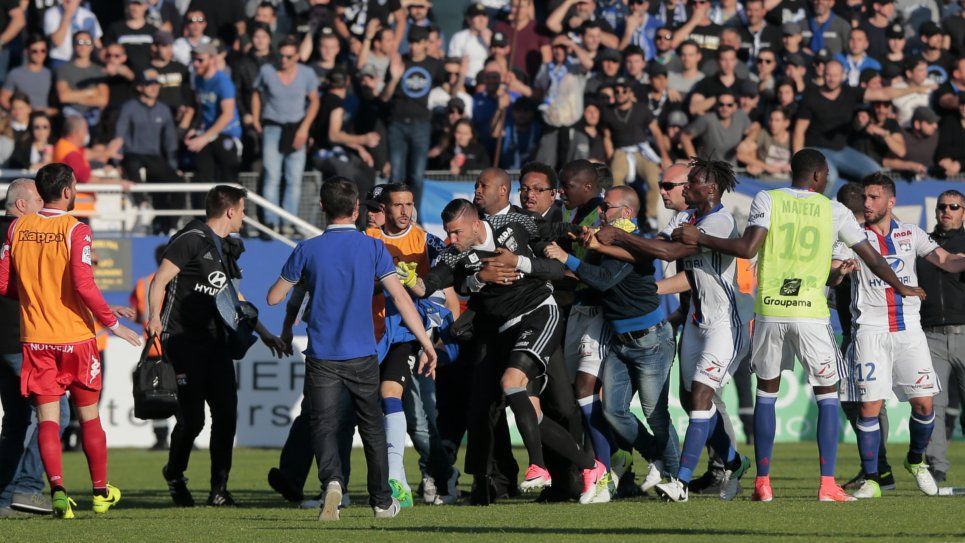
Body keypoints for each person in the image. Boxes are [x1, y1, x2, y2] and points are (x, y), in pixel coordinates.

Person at [671, 148, 924, 502]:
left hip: (771, 310)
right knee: (827, 396)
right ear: (820, 176)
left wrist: (701, 238)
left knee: (767, 395)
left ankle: (763, 482)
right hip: (810, 314)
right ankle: (826, 485)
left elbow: (747, 248)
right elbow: (872, 257)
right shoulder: (834, 210)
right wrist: (901, 286)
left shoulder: (767, 198)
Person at [405, 199, 606, 504]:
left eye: (457, 232)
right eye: (448, 233)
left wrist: (520, 261)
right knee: (531, 412)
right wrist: (408, 280)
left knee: (514, 384)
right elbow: (427, 285)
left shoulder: (513, 225)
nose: (452, 239)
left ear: (475, 224)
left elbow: (552, 257)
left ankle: (539, 467)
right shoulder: (453, 254)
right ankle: (593, 469)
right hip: (505, 329)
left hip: (539, 314)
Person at [266, 177, 437, 521]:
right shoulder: (373, 248)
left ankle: (332, 482)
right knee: (371, 427)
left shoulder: (307, 250)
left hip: (322, 356)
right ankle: (381, 500)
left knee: (325, 424)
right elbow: (402, 297)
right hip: (363, 354)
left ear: (322, 208)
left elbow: (274, 296)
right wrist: (425, 341)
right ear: (357, 209)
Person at [0, 163, 142, 518]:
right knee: (89, 418)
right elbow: (83, 284)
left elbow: (4, 285)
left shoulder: (18, 228)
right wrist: (112, 324)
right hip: (75, 339)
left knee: (47, 420)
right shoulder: (76, 229)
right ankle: (98, 494)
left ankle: (58, 491)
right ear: (67, 191)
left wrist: (36, 297)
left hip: (35, 340)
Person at [147, 185, 287, 507]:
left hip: (216, 344)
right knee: (193, 420)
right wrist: (154, 317)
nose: (244, 216)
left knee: (226, 416)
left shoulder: (224, 248)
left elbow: (233, 297)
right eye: (242, 210)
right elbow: (159, 280)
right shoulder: (190, 239)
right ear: (230, 211)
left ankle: (219, 490)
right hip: (183, 341)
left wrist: (263, 332)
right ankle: (174, 473)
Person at [832, 174, 965, 499]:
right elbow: (832, 276)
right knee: (869, 408)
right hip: (870, 333)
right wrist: (839, 271)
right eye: (865, 197)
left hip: (908, 331)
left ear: (890, 201)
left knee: (923, 405)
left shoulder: (910, 233)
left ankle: (915, 460)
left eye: (874, 197)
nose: (867, 203)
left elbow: (947, 261)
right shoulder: (852, 236)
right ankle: (874, 479)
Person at [545, 184, 679, 502]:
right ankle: (655, 458)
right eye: (602, 207)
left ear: (626, 213)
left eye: (607, 207)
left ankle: (675, 476)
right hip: (621, 338)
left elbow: (604, 279)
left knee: (655, 413)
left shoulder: (632, 240)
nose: (601, 212)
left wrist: (567, 259)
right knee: (613, 410)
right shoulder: (610, 236)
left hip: (650, 340)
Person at [364, 183, 455, 507]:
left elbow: (448, 291)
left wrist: (443, 337)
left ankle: (432, 476)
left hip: (411, 335)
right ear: (385, 209)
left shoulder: (426, 243)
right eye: (398, 205)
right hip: (371, 335)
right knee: (366, 410)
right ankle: (340, 485)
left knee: (417, 414)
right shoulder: (368, 241)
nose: (405, 211)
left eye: (409, 204)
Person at [0, 179, 68, 518]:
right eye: (39, 200)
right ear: (23, 206)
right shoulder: (26, 234)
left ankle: (4, 498)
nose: (44, 206)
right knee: (58, 416)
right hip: (23, 340)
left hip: (5, 343)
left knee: (15, 422)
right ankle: (26, 491)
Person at [252, 35, 320, 233]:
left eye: (289, 56)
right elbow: (256, 93)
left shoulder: (307, 74)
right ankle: (271, 222)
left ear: (297, 56)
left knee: (294, 178)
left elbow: (315, 101)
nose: (283, 60)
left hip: (297, 128)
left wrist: (305, 128)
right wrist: (256, 119)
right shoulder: (267, 70)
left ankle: (288, 222)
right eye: (280, 56)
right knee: (272, 176)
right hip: (273, 127)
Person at [922, 191, 965, 484]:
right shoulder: (923, 244)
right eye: (941, 207)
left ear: (963, 212)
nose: (946, 211)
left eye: (954, 207)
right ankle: (937, 467)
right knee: (931, 404)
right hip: (930, 335)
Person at [109, 68, 181, 234]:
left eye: (156, 84)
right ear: (140, 87)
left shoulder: (163, 110)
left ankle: (171, 225)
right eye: (149, 84)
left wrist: (172, 165)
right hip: (132, 154)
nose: (154, 87)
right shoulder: (128, 107)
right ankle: (142, 205)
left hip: (154, 156)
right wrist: (116, 162)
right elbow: (119, 134)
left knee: (178, 182)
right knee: (132, 164)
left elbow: (170, 140)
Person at [381, 25, 443, 198]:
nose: (413, 46)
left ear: (425, 43)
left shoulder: (435, 64)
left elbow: (449, 89)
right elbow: (385, 97)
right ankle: (393, 216)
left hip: (421, 124)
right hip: (397, 124)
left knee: (416, 176)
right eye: (410, 42)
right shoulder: (399, 61)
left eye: (417, 42)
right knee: (396, 177)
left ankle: (415, 217)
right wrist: (394, 78)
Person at [129, 244, 169, 451]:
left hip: (152, 348)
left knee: (155, 395)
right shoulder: (182, 280)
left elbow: (138, 314)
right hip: (178, 348)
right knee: (182, 392)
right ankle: (184, 434)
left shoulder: (143, 284)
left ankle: (161, 439)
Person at [188, 43, 243, 183]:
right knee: (202, 174)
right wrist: (195, 128)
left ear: (212, 59)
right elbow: (202, 108)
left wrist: (204, 138)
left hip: (226, 133)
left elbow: (228, 115)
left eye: (200, 60)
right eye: (193, 60)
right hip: (208, 132)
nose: (195, 64)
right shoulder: (198, 79)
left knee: (228, 179)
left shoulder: (223, 82)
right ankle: (204, 205)